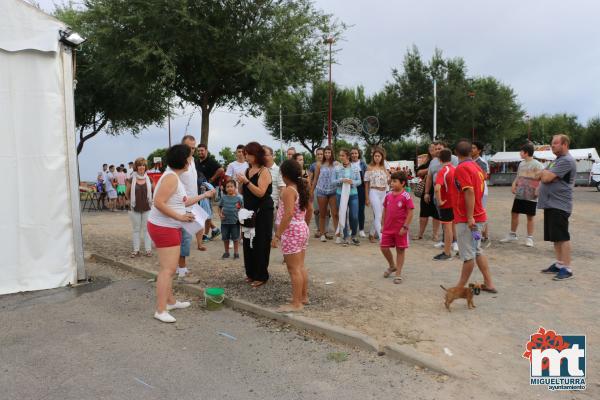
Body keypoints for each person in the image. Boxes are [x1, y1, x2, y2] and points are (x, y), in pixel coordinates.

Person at [147, 144, 204, 323]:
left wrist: (204, 196)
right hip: (164, 227)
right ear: (183, 160)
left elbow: (183, 201)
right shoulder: (171, 178)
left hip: (170, 226)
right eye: (190, 156)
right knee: (168, 269)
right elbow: (158, 202)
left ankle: (170, 302)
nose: (191, 159)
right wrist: (180, 216)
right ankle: (161, 309)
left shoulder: (174, 177)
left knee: (169, 269)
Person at [451, 139, 496, 293]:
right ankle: (489, 283)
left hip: (468, 219)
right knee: (477, 251)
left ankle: (459, 288)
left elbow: (469, 191)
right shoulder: (476, 166)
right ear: (471, 152)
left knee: (468, 255)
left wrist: (470, 217)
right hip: (479, 215)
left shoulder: (462, 168)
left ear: (456, 153)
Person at [272, 160, 312, 312]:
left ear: (284, 174)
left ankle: (296, 304)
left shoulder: (289, 190)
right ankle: (303, 297)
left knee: (293, 268)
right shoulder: (300, 187)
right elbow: (308, 208)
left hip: (292, 231)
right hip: (301, 228)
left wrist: (277, 235)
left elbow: (288, 214)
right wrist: (304, 224)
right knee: (300, 266)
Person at [538, 134, 577, 281]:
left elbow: (546, 177)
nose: (552, 145)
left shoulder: (566, 161)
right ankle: (560, 264)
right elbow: (540, 174)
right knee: (555, 237)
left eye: (555, 143)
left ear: (565, 144)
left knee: (562, 236)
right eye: (552, 143)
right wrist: (544, 173)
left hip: (560, 204)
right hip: (551, 204)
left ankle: (567, 269)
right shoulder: (557, 161)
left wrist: (545, 174)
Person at [236, 142, 274, 288]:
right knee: (248, 242)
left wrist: (246, 182)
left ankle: (261, 275)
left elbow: (261, 193)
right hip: (249, 211)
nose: (246, 157)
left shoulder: (264, 171)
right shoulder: (247, 170)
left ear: (256, 155)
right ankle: (250, 273)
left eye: (248, 154)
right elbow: (241, 191)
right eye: (245, 154)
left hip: (263, 211)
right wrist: (241, 181)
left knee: (261, 243)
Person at [177, 135, 213, 281]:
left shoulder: (192, 161)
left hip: (193, 204)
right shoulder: (178, 162)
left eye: (193, 148)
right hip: (182, 206)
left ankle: (179, 267)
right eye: (188, 148)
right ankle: (182, 271)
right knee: (184, 238)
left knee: (191, 234)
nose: (191, 151)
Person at [499, 142, 544, 247]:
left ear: (526, 153)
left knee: (530, 216)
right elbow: (518, 177)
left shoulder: (538, 164)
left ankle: (529, 238)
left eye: (521, 151)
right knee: (514, 213)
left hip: (531, 194)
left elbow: (542, 179)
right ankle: (512, 234)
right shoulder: (521, 164)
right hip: (520, 193)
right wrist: (514, 184)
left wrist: (538, 189)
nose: (520, 153)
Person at [380, 171, 414, 284]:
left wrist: (405, 226)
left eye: (395, 181)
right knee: (383, 247)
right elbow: (385, 209)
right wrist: (382, 224)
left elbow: (410, 212)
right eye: (392, 181)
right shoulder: (388, 195)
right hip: (388, 228)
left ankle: (398, 273)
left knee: (400, 250)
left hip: (400, 229)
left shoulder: (406, 196)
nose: (392, 183)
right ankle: (392, 265)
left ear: (403, 183)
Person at [425, 142, 458, 250]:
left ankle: (453, 243)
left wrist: (439, 200)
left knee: (451, 222)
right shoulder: (434, 163)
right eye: (436, 149)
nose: (438, 150)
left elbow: (437, 187)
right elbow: (429, 178)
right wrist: (427, 193)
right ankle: (446, 241)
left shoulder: (446, 168)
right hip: (442, 197)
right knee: (445, 221)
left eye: (440, 148)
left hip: (448, 198)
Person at [195, 143, 225, 237]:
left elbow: (221, 170)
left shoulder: (211, 161)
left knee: (205, 212)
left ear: (206, 151)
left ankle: (205, 235)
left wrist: (211, 179)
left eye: (202, 150)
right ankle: (214, 229)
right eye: (198, 150)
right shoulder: (196, 162)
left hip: (209, 191)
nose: (200, 152)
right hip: (199, 190)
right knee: (202, 211)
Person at [126, 158, 153, 257]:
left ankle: (148, 250)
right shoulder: (131, 179)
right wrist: (130, 202)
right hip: (135, 208)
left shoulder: (149, 179)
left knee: (147, 229)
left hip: (147, 208)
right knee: (136, 229)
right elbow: (127, 193)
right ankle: (136, 250)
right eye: (139, 165)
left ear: (145, 167)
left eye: (143, 165)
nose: (141, 167)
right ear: (136, 167)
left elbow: (154, 191)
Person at [334, 149, 361, 246]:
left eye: (342, 155)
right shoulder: (337, 168)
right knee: (342, 215)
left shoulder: (355, 167)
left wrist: (352, 182)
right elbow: (333, 181)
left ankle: (353, 235)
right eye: (340, 156)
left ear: (347, 156)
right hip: (340, 194)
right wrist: (341, 180)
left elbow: (359, 181)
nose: (340, 157)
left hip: (353, 194)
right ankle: (345, 237)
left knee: (354, 216)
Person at [433, 149, 457, 260]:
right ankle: (459, 250)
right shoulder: (455, 169)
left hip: (446, 204)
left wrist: (439, 201)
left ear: (439, 159)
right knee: (453, 227)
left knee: (447, 229)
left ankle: (447, 253)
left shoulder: (443, 171)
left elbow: (437, 188)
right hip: (456, 203)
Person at [312, 146, 338, 242]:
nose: (327, 154)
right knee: (322, 214)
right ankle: (322, 234)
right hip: (321, 191)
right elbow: (315, 179)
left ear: (331, 154)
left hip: (333, 191)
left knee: (335, 214)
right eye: (325, 152)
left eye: (329, 152)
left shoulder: (336, 164)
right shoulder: (319, 164)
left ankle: (338, 235)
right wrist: (311, 192)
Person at [364, 147, 389, 243]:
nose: (377, 158)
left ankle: (371, 233)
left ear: (382, 157)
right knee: (378, 215)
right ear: (373, 157)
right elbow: (366, 183)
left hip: (383, 193)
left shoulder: (384, 167)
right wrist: (367, 197)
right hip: (373, 192)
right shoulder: (369, 167)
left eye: (379, 156)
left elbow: (388, 181)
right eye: (375, 156)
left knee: (381, 215)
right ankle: (382, 238)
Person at [415, 144, 439, 240]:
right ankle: (420, 234)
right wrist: (431, 169)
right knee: (424, 212)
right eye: (430, 148)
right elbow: (419, 172)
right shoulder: (427, 160)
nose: (432, 149)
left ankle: (435, 234)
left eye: (435, 148)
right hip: (427, 188)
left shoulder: (443, 160)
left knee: (436, 213)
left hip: (438, 188)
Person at [472, 141, 491, 247]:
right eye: (471, 147)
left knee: (480, 214)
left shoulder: (481, 162)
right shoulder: (469, 160)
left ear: (479, 150)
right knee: (474, 214)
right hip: (472, 191)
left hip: (481, 192)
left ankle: (484, 237)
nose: (471, 149)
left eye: (474, 148)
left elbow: (484, 176)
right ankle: (479, 237)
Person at [219, 180, 243, 259]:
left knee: (235, 238)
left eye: (231, 186)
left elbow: (242, 208)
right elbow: (219, 207)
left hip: (235, 222)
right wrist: (220, 214)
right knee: (225, 238)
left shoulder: (238, 199)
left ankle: (236, 253)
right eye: (227, 187)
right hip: (224, 222)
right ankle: (226, 252)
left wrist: (240, 211)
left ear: (235, 188)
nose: (229, 188)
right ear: (225, 188)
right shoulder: (223, 198)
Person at [350, 148, 368, 238]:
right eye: (352, 153)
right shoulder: (347, 164)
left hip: (361, 189)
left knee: (361, 209)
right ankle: (351, 229)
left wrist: (366, 191)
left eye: (355, 153)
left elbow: (366, 178)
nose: (354, 155)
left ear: (358, 154)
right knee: (351, 210)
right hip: (350, 188)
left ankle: (361, 229)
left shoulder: (363, 164)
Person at [309, 148, 324, 235]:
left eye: (321, 154)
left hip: (328, 190)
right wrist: (310, 191)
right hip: (316, 190)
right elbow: (310, 179)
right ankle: (319, 229)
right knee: (317, 211)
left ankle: (325, 230)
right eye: (318, 154)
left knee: (326, 211)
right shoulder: (313, 165)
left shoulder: (329, 164)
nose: (319, 156)